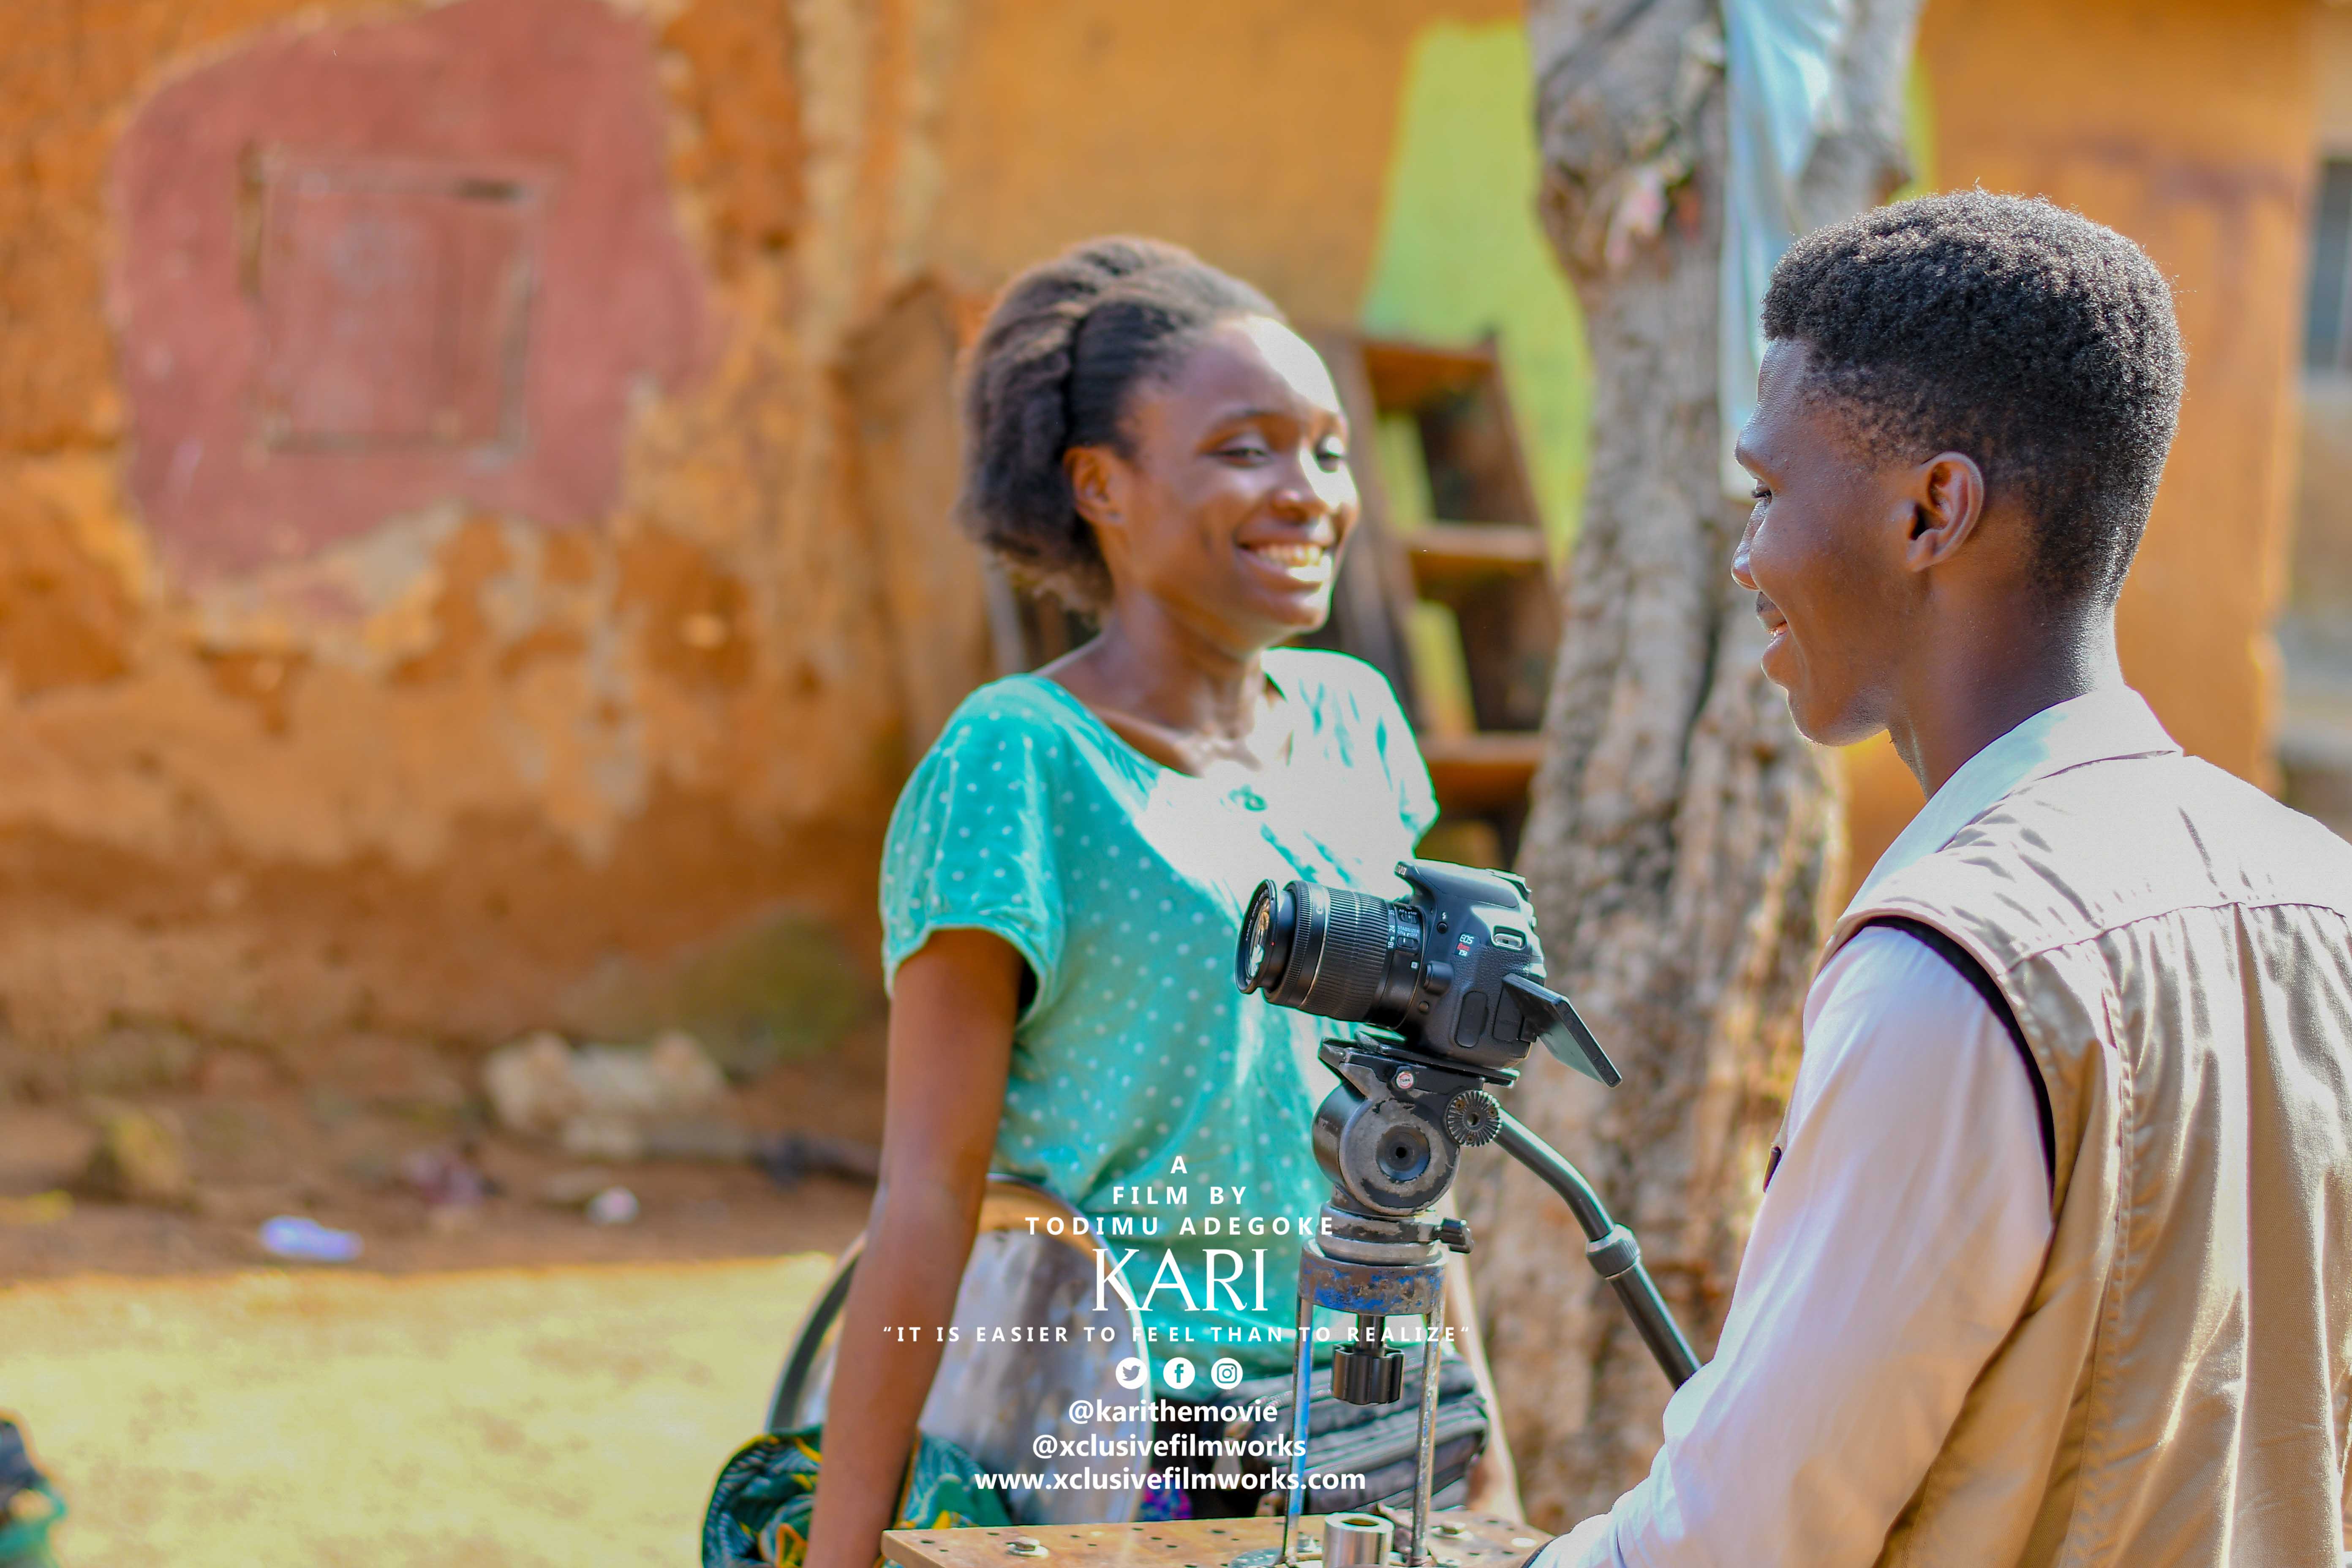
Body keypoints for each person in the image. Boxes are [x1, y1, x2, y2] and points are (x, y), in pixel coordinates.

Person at [1538, 191, 2352, 1565]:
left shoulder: (1955, 966)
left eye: (1767, 490)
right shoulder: (2317, 890)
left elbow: (1739, 1544)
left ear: (1934, 511)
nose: (1747, 558)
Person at [803, 237, 1521, 1568]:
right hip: (1117, 1446)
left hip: (1359, 1418)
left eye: (1328, 451)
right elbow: (926, 1191)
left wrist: (1472, 1450)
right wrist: (844, 1549)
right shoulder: (1019, 761)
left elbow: (1412, 1136)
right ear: (1102, 487)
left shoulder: (1361, 734)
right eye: (1248, 448)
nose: (1307, 493)